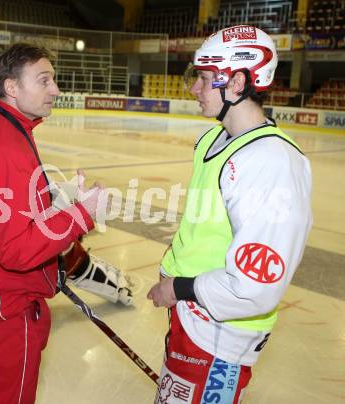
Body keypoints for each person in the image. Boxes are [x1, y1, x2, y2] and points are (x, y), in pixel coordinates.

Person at [147, 25, 312, 403]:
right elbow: (205, 224)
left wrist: (180, 287)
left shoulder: (271, 162)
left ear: (236, 83)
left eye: (204, 79)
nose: (194, 89)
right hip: (191, 314)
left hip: (220, 330)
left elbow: (256, 285)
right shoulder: (213, 138)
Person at [0, 43, 106, 404]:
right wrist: (81, 214)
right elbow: (15, 250)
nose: (56, 90)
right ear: (12, 88)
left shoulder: (2, 130)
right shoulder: (4, 146)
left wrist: (59, 200)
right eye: (44, 80)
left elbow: (2, 212)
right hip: (6, 303)